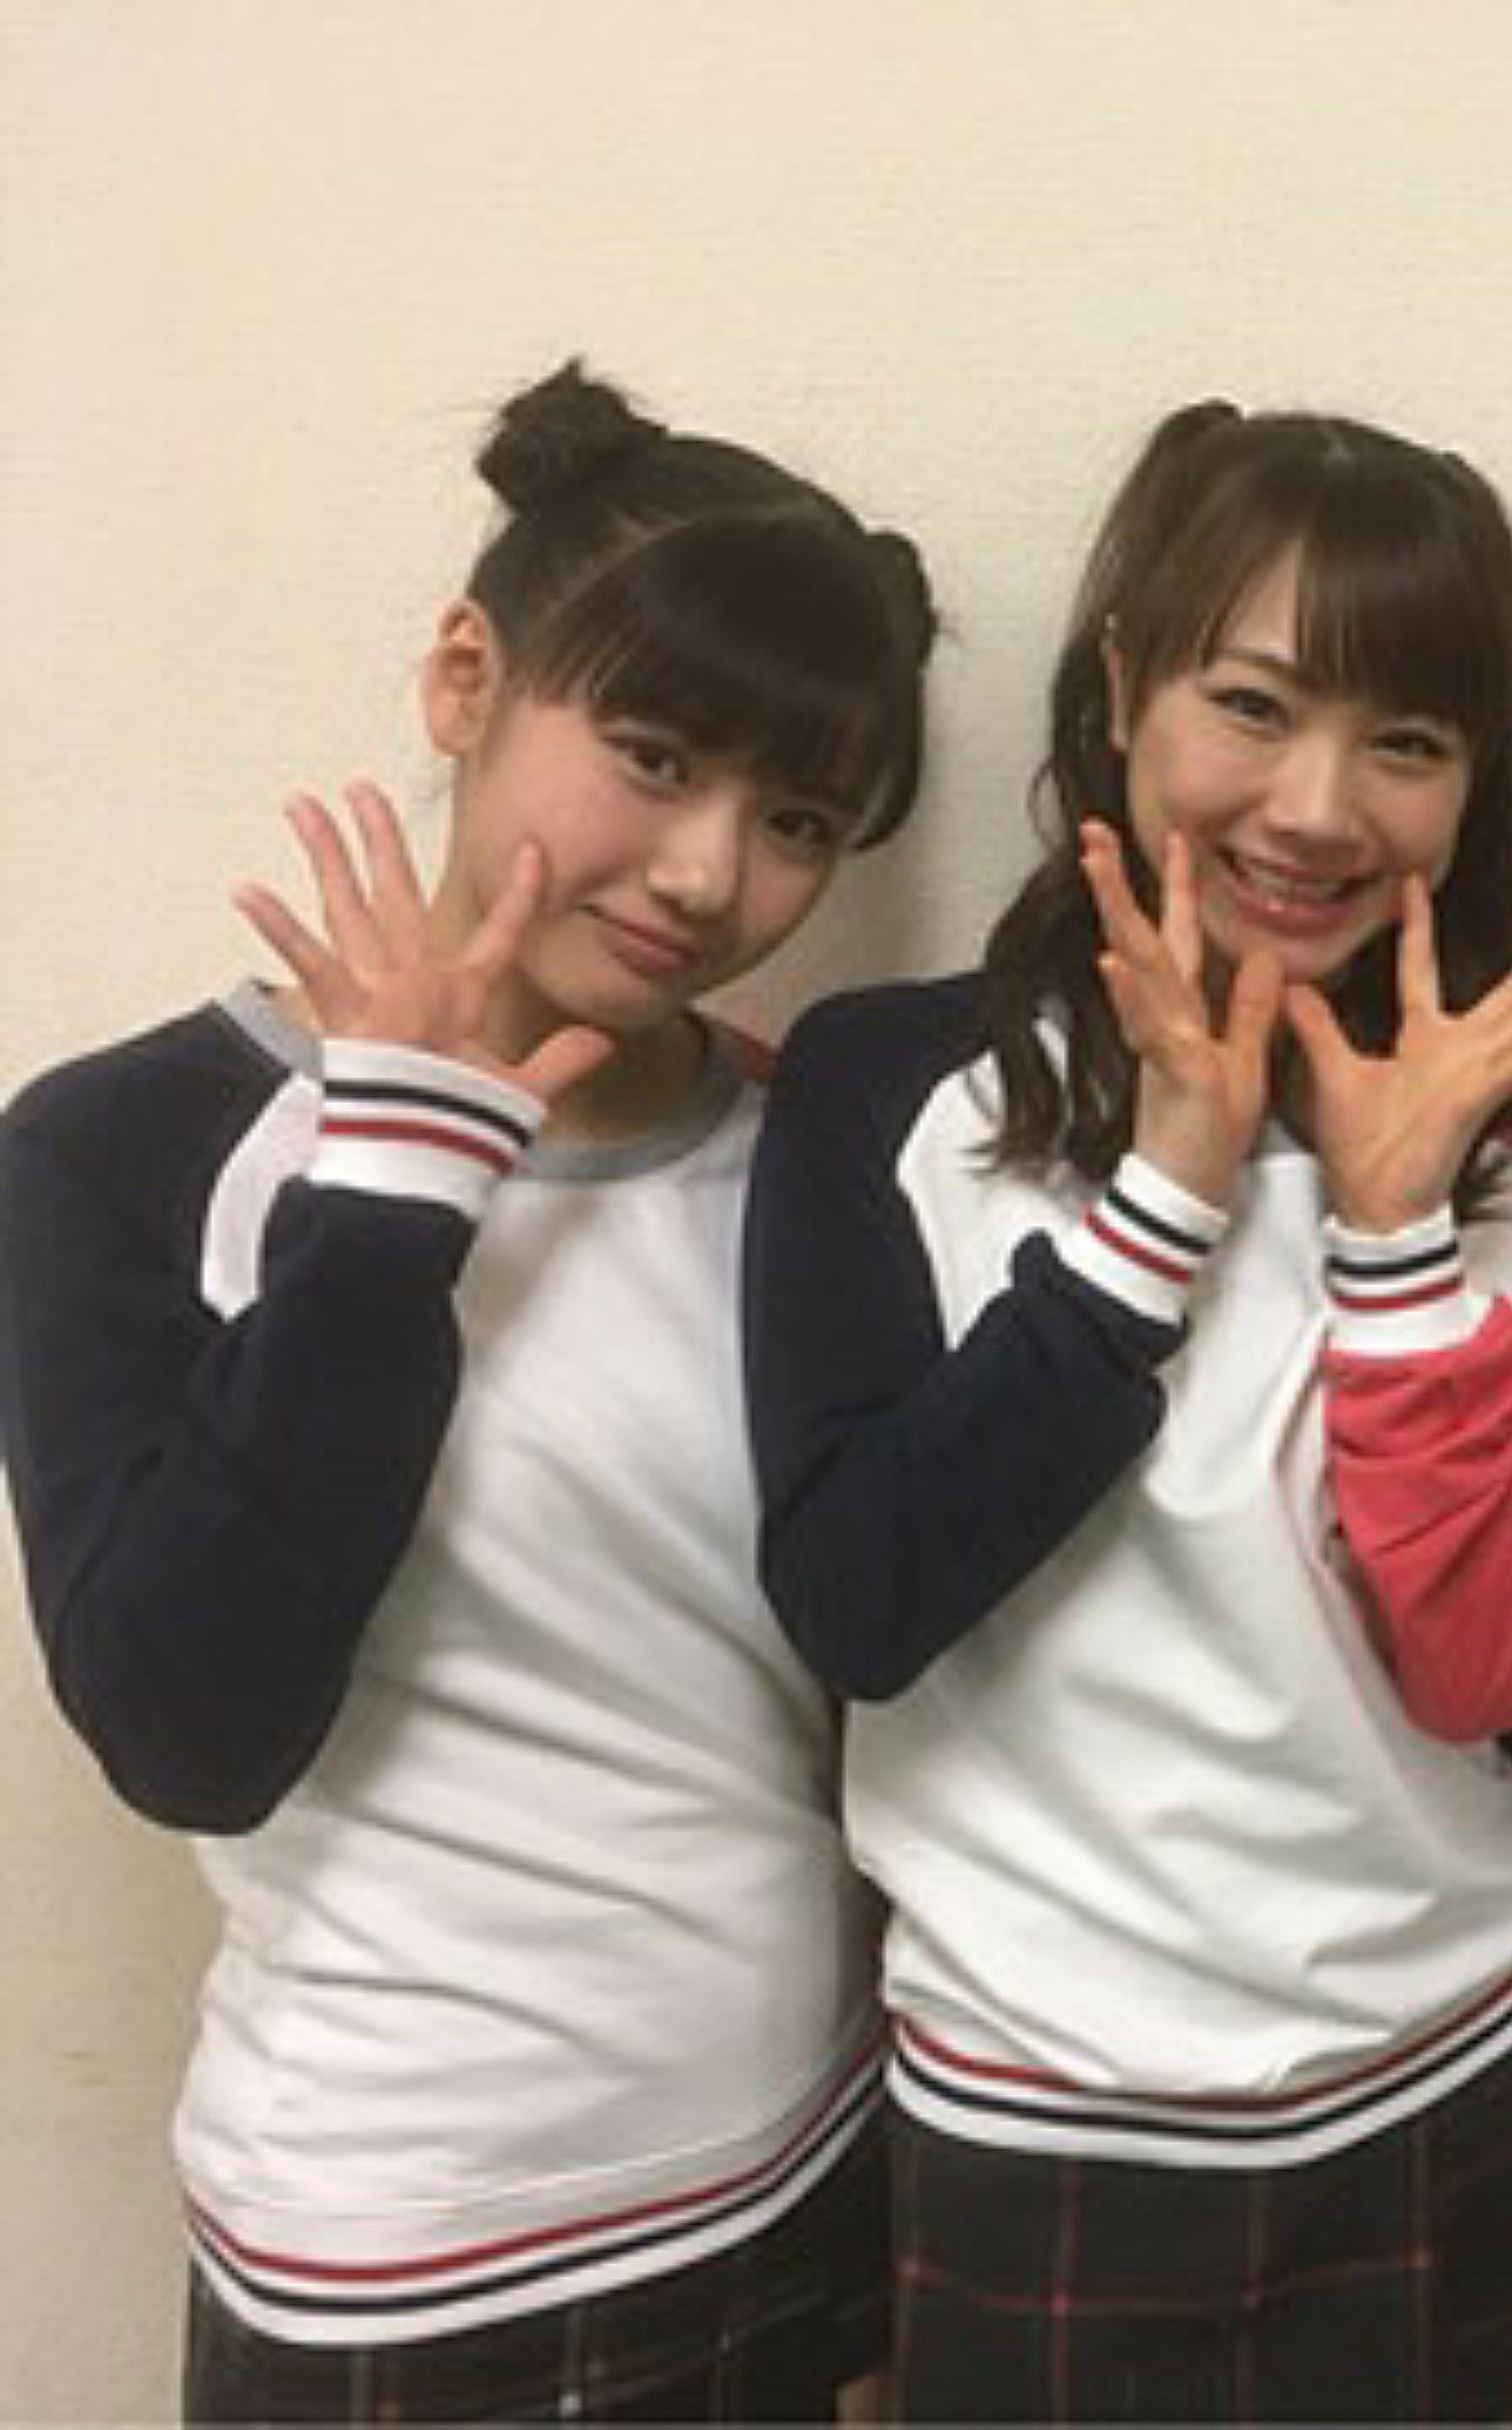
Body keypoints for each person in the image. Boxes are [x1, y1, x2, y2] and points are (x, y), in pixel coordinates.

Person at [0, 364, 936, 2419]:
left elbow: (875, 1688)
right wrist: (394, 1191)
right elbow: (186, 1726)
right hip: (398, 2241)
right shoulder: (123, 1146)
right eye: (654, 757)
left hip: (797, 2167)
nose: (707, 875)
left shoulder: (816, 1158)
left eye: (796, 821)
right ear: (463, 679)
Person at [741, 400, 1512, 2421]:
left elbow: (1507, 1669)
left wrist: (1393, 1234)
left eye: (1407, 742)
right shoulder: (890, 1088)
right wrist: (1162, 1208)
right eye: (1252, 704)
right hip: (1038, 2104)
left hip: (1436, 2076)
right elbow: (859, 1602)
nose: (1316, 809)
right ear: (1125, 685)